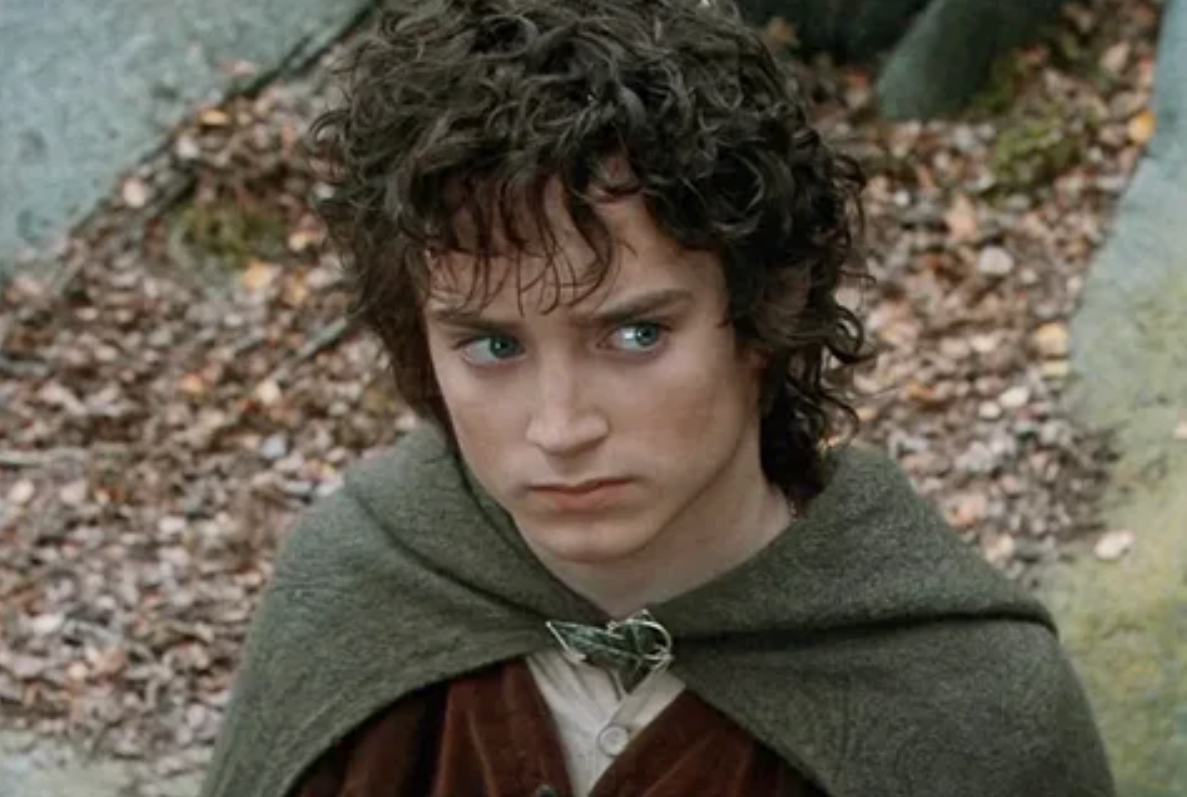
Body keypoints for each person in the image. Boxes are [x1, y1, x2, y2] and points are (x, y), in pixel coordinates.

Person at [199, 0, 1115, 795]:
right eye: (493, 345)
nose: (560, 427)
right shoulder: (351, 595)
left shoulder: (974, 703)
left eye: (634, 334)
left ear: (761, 314)